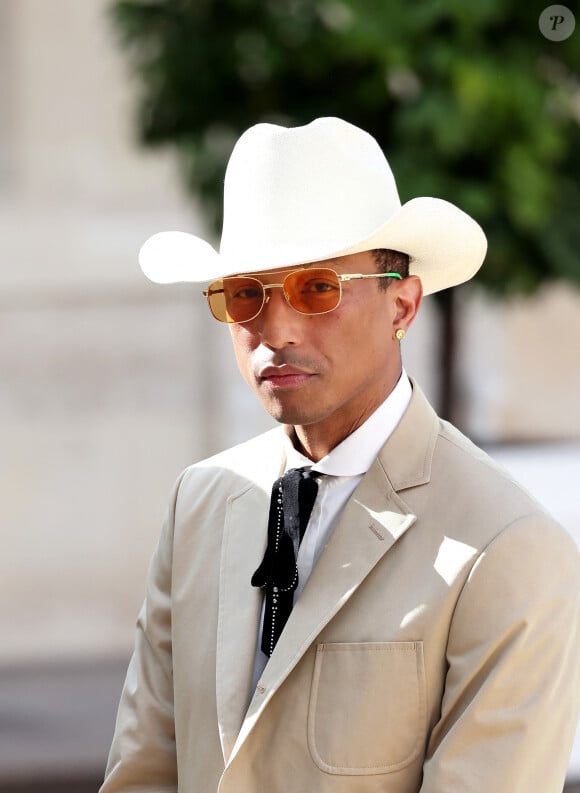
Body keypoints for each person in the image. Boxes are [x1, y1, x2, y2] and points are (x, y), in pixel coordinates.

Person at [100, 117, 580, 793]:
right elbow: (144, 771)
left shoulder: (508, 547)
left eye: (316, 287)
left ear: (403, 304)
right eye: (246, 294)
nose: (275, 329)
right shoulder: (199, 502)